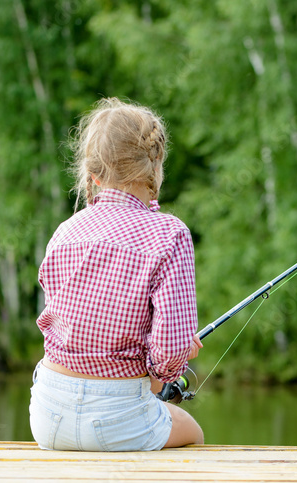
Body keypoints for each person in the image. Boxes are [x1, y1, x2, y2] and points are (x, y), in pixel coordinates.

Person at [29, 97, 204, 451]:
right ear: (155, 168)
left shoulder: (65, 231)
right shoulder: (170, 234)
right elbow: (169, 353)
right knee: (193, 434)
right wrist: (178, 358)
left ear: (93, 176)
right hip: (117, 418)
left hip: (47, 416)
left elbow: (63, 321)